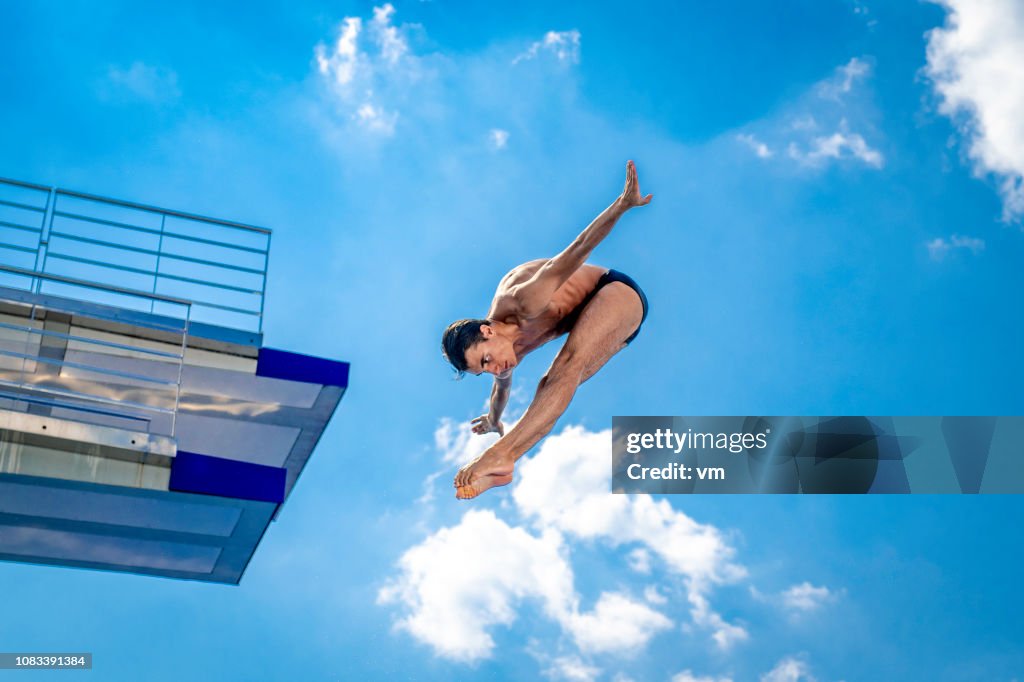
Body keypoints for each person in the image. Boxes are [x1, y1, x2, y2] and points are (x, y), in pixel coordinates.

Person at [441, 160, 652, 499]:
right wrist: (495, 421)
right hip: (612, 329)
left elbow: (579, 247)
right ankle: (506, 456)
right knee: (553, 384)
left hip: (615, 292)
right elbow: (500, 393)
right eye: (486, 370)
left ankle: (502, 456)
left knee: (567, 365)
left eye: (486, 361)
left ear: (488, 331)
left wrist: (623, 205)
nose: (496, 369)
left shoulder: (523, 299)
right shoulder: (509, 352)